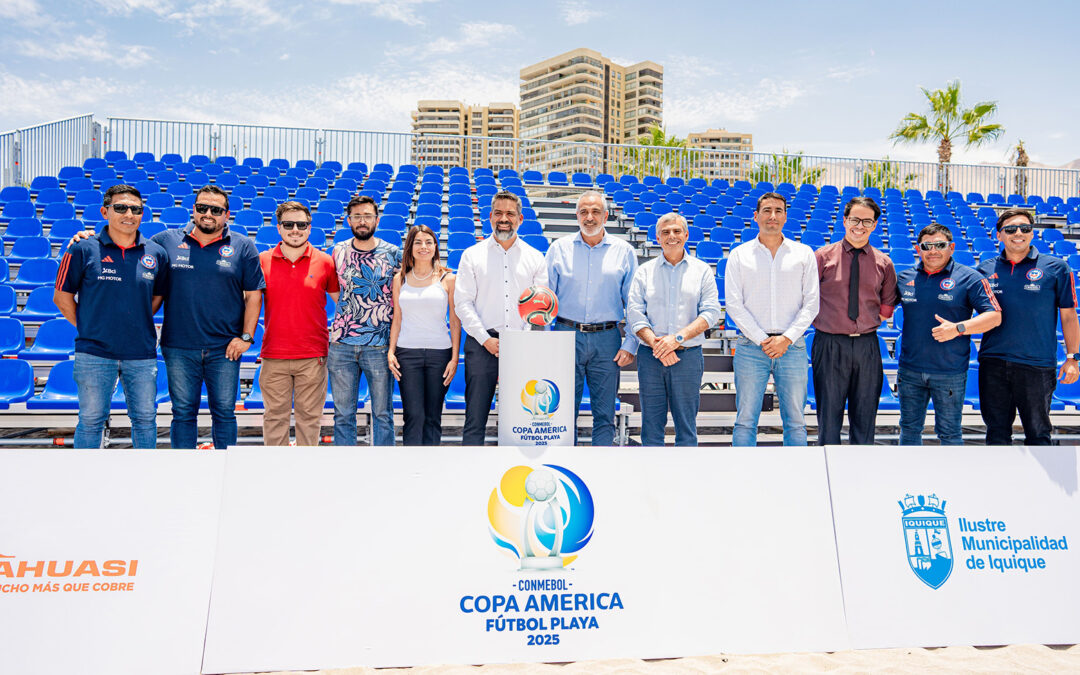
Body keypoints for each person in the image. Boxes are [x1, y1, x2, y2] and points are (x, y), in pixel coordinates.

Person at [53, 184, 169, 449]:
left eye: (136, 209)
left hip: (140, 352)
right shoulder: (82, 248)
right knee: (92, 420)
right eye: (120, 208)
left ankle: (144, 477)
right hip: (94, 352)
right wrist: (91, 325)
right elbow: (61, 297)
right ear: (105, 212)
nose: (129, 214)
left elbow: (156, 298)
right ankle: (86, 480)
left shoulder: (156, 253)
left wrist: (133, 321)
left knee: (145, 419)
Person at [154, 185, 264, 449]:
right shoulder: (165, 241)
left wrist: (246, 338)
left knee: (225, 413)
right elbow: (127, 244)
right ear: (193, 210)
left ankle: (225, 471)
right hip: (179, 346)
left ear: (226, 214)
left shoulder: (242, 245)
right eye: (202, 208)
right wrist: (86, 237)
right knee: (182, 414)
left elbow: (254, 296)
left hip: (224, 348)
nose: (208, 214)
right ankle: (184, 472)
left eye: (216, 210)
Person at [976, 208, 1080, 445]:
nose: (1019, 233)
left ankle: (1038, 483)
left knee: (1038, 434)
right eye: (1011, 229)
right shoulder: (985, 269)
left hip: (1037, 365)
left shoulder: (1057, 268)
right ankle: (1001, 482)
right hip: (993, 363)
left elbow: (1069, 316)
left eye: (1025, 228)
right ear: (999, 235)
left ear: (1032, 234)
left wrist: (1073, 358)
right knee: (997, 433)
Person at [725, 192, 819, 447]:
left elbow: (811, 303)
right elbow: (734, 304)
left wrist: (785, 339)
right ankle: (744, 479)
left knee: (796, 421)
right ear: (756, 216)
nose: (772, 216)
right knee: (745, 420)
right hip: (750, 347)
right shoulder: (739, 255)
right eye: (766, 210)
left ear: (785, 217)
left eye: (778, 210)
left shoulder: (803, 253)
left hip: (793, 347)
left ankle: (795, 480)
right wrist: (763, 339)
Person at [454, 190, 547, 445]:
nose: (503, 218)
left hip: (522, 345)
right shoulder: (472, 255)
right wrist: (486, 340)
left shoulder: (535, 257)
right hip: (482, 344)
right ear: (490, 217)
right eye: (498, 213)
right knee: (475, 417)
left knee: (521, 418)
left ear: (520, 219)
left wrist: (519, 340)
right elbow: (462, 303)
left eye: (510, 214)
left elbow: (540, 307)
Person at [546, 190, 638, 446]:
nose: (589, 217)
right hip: (566, 334)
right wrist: (543, 343)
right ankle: (565, 466)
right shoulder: (558, 249)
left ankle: (602, 469)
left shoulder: (624, 251)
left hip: (607, 338)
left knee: (605, 413)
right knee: (562, 412)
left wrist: (630, 343)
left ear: (606, 216)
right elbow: (544, 302)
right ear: (577, 215)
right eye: (584, 212)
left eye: (595, 211)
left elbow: (633, 303)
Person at [896, 224, 1001, 445]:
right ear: (918, 249)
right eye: (927, 246)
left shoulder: (971, 277)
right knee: (909, 429)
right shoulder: (904, 277)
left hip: (949, 372)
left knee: (949, 432)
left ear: (951, 247)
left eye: (940, 245)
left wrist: (957, 328)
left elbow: (994, 316)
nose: (933, 250)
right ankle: (907, 477)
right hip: (910, 370)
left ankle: (953, 479)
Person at [627, 212, 722, 446]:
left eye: (677, 231)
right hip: (651, 357)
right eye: (666, 232)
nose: (672, 236)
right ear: (658, 238)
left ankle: (685, 480)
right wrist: (658, 345)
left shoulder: (702, 271)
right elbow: (634, 313)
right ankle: (650, 480)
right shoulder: (644, 271)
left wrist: (676, 339)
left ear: (686, 235)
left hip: (688, 357)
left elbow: (711, 312)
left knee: (687, 428)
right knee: (651, 428)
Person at [811, 196, 899, 445]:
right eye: (854, 219)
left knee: (864, 415)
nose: (859, 226)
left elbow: (886, 306)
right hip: (829, 343)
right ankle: (828, 474)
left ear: (874, 225)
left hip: (866, 346)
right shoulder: (822, 257)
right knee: (829, 416)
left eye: (867, 221)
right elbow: (808, 299)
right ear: (844, 221)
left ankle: (861, 474)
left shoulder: (884, 262)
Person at [258, 201, 339, 446]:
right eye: (289, 224)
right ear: (279, 228)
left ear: (309, 228)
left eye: (301, 224)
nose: (295, 229)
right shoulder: (262, 260)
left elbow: (343, 303)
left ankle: (306, 476)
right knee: (274, 419)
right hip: (273, 355)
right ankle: (275, 476)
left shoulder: (325, 261)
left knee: (310, 419)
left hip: (313, 356)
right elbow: (246, 302)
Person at [328, 196, 401, 446]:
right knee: (343, 414)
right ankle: (346, 468)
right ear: (348, 220)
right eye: (357, 216)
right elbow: (335, 290)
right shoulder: (338, 251)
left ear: (376, 220)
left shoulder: (392, 253)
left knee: (382, 413)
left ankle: (383, 468)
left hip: (379, 345)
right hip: (341, 345)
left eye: (367, 216)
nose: (362, 221)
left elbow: (414, 278)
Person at [387, 225, 460, 446]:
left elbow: (455, 322)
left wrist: (454, 359)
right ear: (410, 247)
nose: (423, 247)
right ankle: (411, 468)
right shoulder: (400, 279)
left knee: (432, 416)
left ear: (435, 246)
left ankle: (430, 469)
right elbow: (397, 318)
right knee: (413, 415)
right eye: (418, 242)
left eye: (428, 242)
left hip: (440, 354)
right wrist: (391, 351)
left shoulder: (447, 279)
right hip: (407, 354)